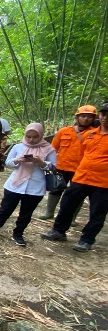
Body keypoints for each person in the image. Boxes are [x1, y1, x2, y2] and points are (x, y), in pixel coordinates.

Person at [41, 104, 108, 252]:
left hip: (103, 183)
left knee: (97, 212)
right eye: (103, 114)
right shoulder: (90, 135)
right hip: (81, 177)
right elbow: (82, 153)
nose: (105, 118)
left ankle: (87, 239)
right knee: (67, 204)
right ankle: (58, 231)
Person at [0, 123, 56, 246]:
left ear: (41, 135)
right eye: (29, 136)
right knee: (4, 210)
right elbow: (8, 163)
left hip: (35, 187)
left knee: (26, 214)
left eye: (35, 137)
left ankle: (18, 234)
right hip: (14, 185)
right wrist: (17, 160)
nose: (31, 140)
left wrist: (40, 162)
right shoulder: (18, 147)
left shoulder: (48, 149)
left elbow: (53, 167)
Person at [39, 105, 97, 221]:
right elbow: (52, 149)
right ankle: (49, 212)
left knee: (77, 195)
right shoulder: (64, 131)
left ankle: (72, 218)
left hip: (81, 170)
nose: (86, 119)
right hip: (61, 166)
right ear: (77, 117)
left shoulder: (95, 134)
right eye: (83, 116)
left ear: (93, 119)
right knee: (56, 190)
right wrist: (48, 164)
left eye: (89, 117)